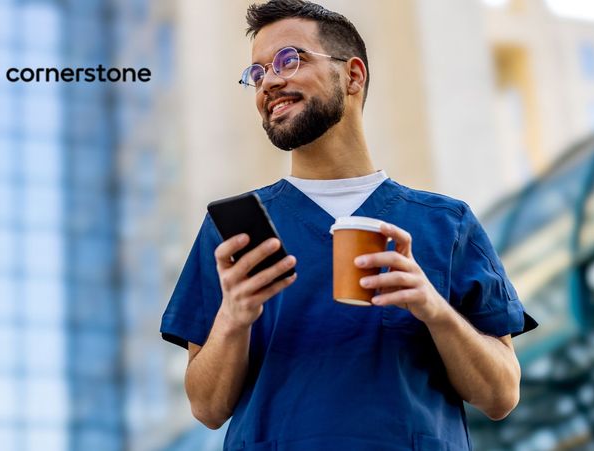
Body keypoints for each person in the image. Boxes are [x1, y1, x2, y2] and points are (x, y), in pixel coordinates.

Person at [159, 0, 539, 449]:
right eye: (257, 73)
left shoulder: (445, 223)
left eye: (289, 60)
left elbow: (500, 395)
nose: (270, 82)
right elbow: (206, 408)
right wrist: (234, 318)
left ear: (353, 76)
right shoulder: (233, 233)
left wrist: (434, 309)